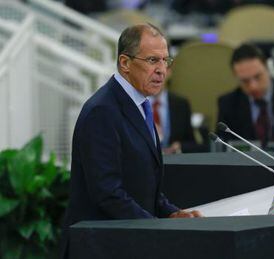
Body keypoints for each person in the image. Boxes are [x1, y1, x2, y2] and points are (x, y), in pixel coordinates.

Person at [61, 24, 201, 258]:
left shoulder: (142, 105)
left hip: (127, 242)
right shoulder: (102, 111)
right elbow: (108, 193)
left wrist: (173, 214)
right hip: (100, 247)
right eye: (152, 60)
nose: (161, 70)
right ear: (125, 63)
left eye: (166, 61)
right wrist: (156, 227)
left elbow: (143, 184)